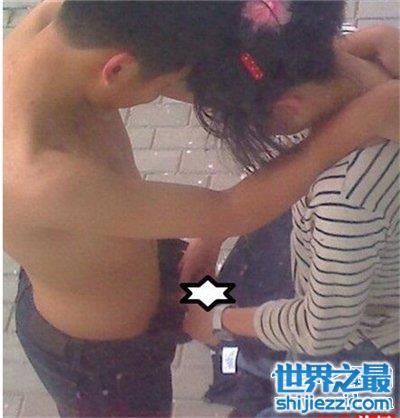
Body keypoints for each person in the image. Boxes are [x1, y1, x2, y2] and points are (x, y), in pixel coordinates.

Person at [4, 0, 398, 416]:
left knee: (237, 317)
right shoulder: (36, 175)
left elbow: (252, 72)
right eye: (162, 86)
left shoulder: (70, 24)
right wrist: (364, 118)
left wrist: (356, 45)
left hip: (137, 254)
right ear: (116, 70)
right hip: (101, 359)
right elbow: (230, 210)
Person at [181, 20, 400, 416]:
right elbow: (300, 156)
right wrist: (214, 231)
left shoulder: (345, 203)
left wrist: (219, 320)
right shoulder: (375, 68)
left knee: (293, 403)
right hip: (371, 286)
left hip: (369, 344)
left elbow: (322, 329)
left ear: (288, 107)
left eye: (266, 128)